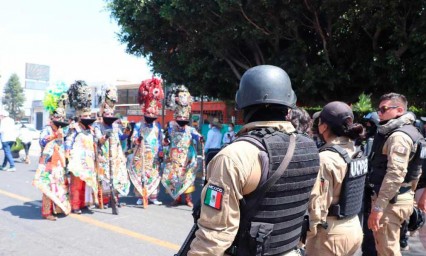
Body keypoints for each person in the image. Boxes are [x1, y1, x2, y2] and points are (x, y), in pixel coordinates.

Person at [188, 65, 320, 255]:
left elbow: (215, 235)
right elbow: (312, 210)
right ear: (288, 108)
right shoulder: (309, 148)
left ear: (242, 106)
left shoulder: (234, 156)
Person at [306, 101, 366, 256]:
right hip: (353, 226)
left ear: (324, 126)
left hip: (330, 235)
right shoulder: (355, 150)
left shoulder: (326, 158)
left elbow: (318, 205)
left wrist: (307, 236)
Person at [367, 93, 424, 255]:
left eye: (384, 109)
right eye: (379, 109)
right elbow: (415, 171)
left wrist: (378, 208)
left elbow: (395, 175)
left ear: (399, 110)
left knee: (387, 250)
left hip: (390, 203)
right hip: (400, 198)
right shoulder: (413, 132)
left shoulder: (398, 136)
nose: (380, 113)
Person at [33, 83, 71, 221]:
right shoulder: (47, 129)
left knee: (60, 186)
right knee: (48, 187)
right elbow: (42, 141)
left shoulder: (62, 131)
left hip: (59, 163)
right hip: (49, 162)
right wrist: (55, 136)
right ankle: (46, 212)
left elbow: (63, 145)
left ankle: (58, 208)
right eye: (57, 119)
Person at [161, 84, 202, 208]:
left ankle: (188, 198)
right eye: (179, 117)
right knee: (175, 178)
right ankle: (177, 198)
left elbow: (197, 135)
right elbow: (166, 139)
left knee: (187, 178)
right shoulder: (171, 127)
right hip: (174, 158)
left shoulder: (190, 129)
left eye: (184, 118)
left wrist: (201, 138)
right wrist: (166, 142)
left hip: (186, 159)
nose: (181, 120)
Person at [128, 77, 165, 206]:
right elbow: (133, 137)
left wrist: (161, 150)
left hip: (154, 156)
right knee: (141, 175)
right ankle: (140, 196)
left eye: (153, 115)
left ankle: (153, 196)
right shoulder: (139, 125)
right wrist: (137, 140)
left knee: (154, 174)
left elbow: (160, 139)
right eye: (149, 115)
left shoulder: (157, 126)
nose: (151, 117)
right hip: (142, 154)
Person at [94, 85, 130, 208]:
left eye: (111, 114)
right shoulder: (98, 125)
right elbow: (99, 140)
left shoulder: (115, 126)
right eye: (106, 114)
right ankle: (104, 200)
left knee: (117, 176)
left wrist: (126, 132)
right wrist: (106, 136)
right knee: (105, 177)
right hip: (104, 154)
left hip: (116, 155)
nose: (109, 116)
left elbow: (121, 138)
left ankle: (115, 199)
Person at [65, 80, 99, 214]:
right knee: (77, 183)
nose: (87, 117)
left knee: (87, 183)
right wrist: (67, 153)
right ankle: (75, 205)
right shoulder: (74, 128)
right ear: (79, 116)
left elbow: (96, 143)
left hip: (89, 160)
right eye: (85, 115)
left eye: (89, 115)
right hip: (78, 160)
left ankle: (85, 203)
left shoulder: (91, 129)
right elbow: (69, 140)